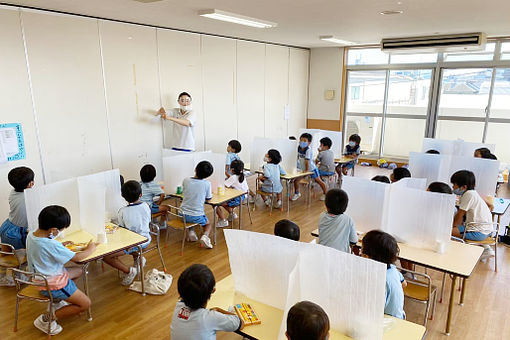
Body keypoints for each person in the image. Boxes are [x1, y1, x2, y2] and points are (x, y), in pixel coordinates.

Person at [27, 205, 96, 335]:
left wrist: (60, 246)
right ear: (53, 230)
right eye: (60, 230)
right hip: (53, 284)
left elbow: (46, 248)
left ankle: (57, 301)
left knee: (79, 271)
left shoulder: (31, 235)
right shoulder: (50, 244)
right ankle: (47, 319)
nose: (60, 233)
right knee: (85, 304)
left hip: (39, 278)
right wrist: (91, 248)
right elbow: (77, 258)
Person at [171, 264, 242, 339]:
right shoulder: (211, 317)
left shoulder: (178, 306)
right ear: (213, 290)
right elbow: (239, 323)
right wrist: (219, 310)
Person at [103, 180, 151, 286]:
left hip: (136, 242)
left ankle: (129, 271)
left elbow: (123, 230)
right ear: (141, 194)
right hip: (147, 238)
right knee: (125, 243)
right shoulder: (146, 206)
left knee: (106, 256)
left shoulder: (123, 211)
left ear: (123, 196)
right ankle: (138, 258)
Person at [0, 167, 34, 286]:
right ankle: (17, 277)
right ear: (31, 183)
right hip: (17, 233)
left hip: (7, 226)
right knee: (21, 256)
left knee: (7, 254)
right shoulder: (28, 198)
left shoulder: (13, 192)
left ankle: (5, 275)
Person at [361, 230, 406, 319]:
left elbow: (372, 309)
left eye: (361, 249)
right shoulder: (392, 269)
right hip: (400, 315)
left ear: (367, 257)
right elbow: (404, 284)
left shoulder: (379, 279)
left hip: (389, 321)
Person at [450, 170, 493, 247]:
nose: (453, 187)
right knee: (456, 227)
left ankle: (486, 249)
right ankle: (485, 248)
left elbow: (460, 214)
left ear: (463, 187)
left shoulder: (468, 195)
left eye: (454, 184)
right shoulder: (472, 193)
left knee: (447, 231)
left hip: (479, 232)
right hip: (486, 230)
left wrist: (452, 226)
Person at [180, 161, 214, 249]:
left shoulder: (186, 180)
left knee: (190, 219)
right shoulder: (207, 184)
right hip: (196, 216)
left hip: (181, 214)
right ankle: (205, 236)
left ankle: (191, 232)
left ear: (195, 169)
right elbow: (208, 198)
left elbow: (185, 192)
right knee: (208, 224)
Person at [318, 189, 357, 253]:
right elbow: (354, 240)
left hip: (323, 252)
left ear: (326, 205)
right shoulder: (348, 220)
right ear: (346, 206)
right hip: (340, 256)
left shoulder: (322, 216)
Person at [293, 133, 327, 201]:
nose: (302, 142)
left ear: (309, 143)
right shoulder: (298, 148)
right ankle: (297, 193)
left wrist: (307, 170)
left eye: (304, 141)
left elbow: (307, 161)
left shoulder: (308, 150)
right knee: (296, 181)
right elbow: (297, 157)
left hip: (311, 169)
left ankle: (325, 194)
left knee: (319, 181)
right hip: (303, 168)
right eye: (301, 140)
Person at [216, 160, 249, 227]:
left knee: (217, 204)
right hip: (243, 197)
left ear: (232, 170)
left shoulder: (233, 177)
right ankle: (232, 214)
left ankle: (223, 221)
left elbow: (223, 186)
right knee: (225, 201)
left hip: (237, 199)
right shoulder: (242, 175)